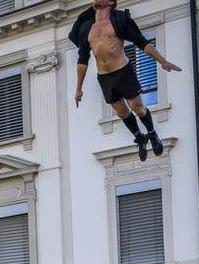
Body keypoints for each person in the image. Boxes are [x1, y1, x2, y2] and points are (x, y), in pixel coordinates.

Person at [70, 0, 180, 161]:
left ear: (110, 2)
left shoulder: (118, 21)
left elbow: (141, 42)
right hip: (105, 77)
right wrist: (78, 88)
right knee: (122, 113)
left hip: (123, 72)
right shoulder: (87, 28)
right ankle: (139, 137)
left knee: (138, 108)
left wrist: (162, 61)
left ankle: (151, 133)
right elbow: (82, 59)